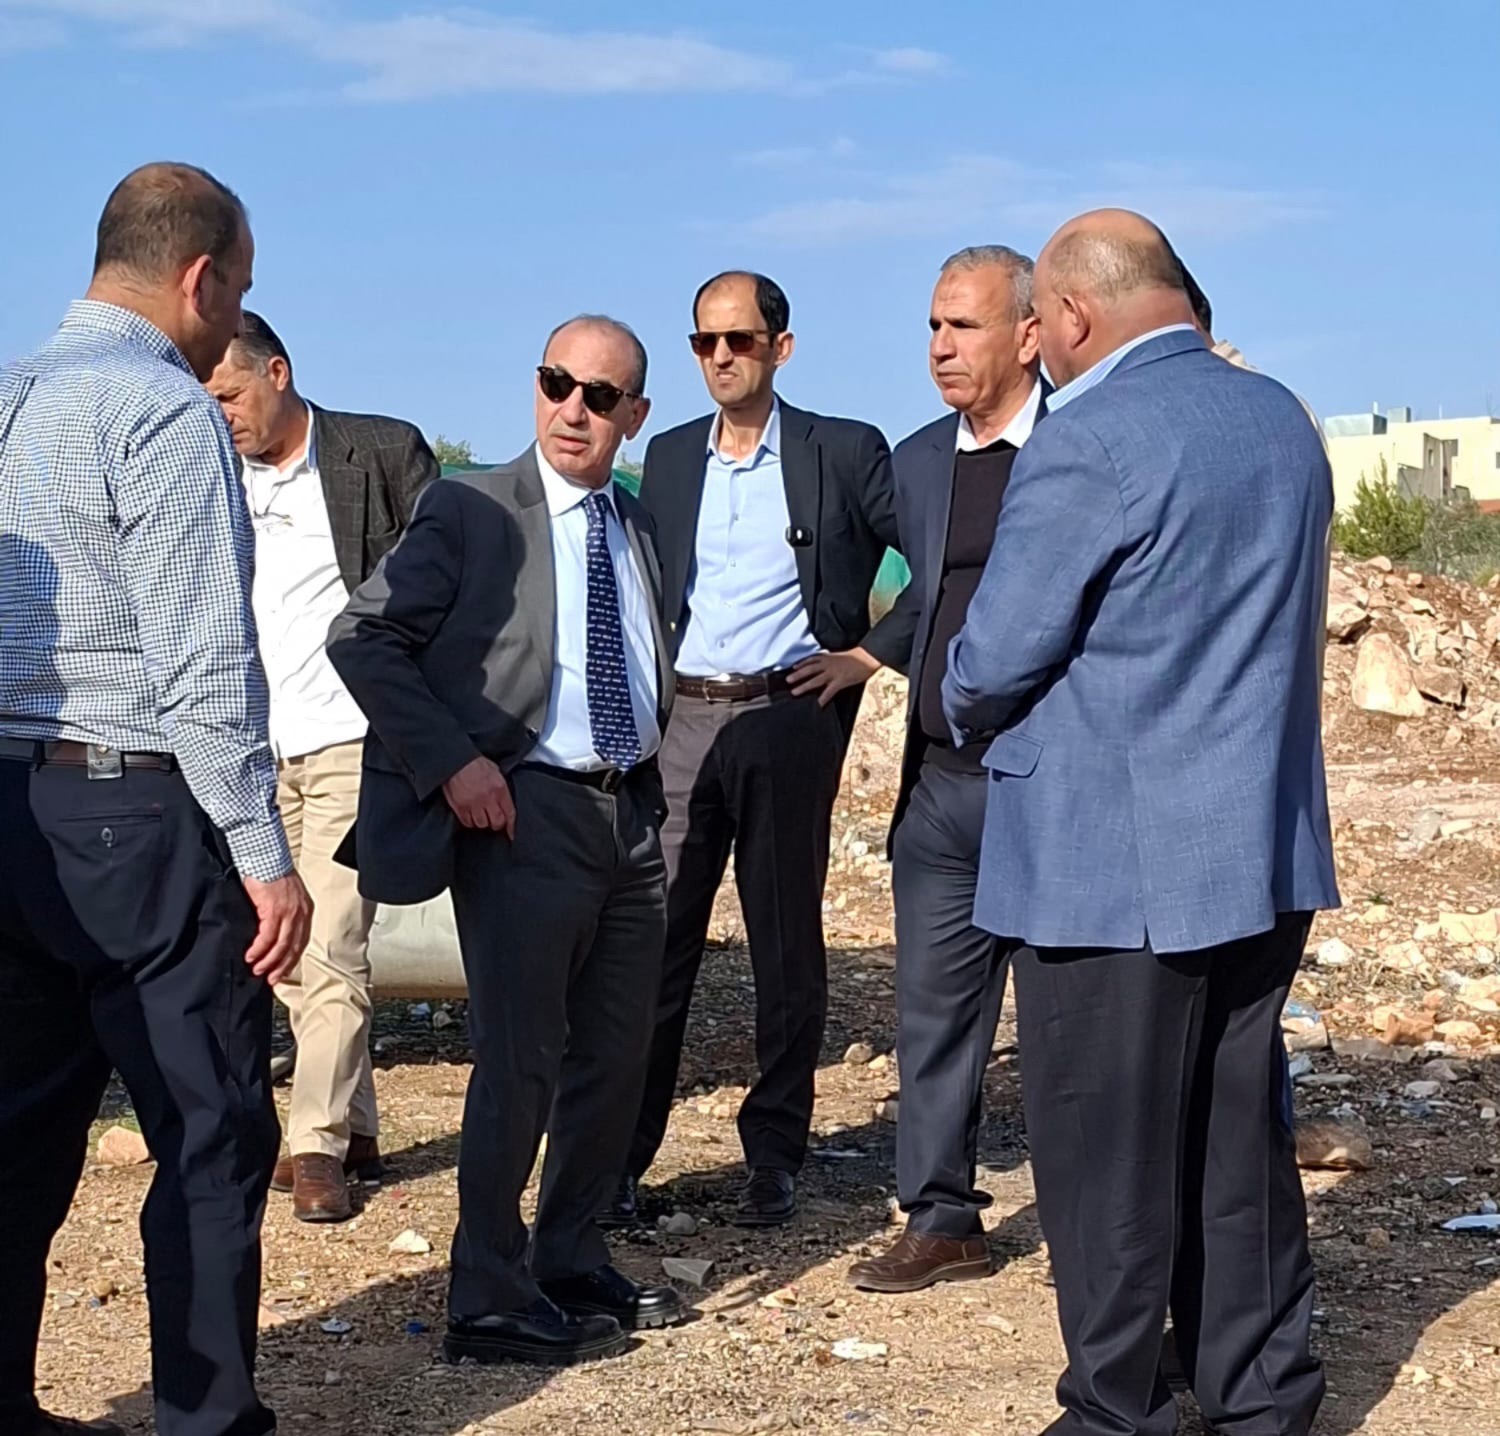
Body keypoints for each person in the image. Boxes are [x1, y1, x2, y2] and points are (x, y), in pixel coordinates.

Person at [942, 210, 1340, 1436]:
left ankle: (1116, 1409)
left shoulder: (1090, 437)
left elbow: (995, 655)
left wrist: (956, 692)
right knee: (1238, 1140)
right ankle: (1261, 1395)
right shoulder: (1281, 419)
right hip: (1259, 846)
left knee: (1104, 1156)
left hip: (1107, 862)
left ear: (1069, 315)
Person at [0, 164, 310, 1436]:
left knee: (19, 1125)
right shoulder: (165, 411)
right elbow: (200, 662)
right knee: (206, 1126)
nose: (230, 318)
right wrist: (262, 849)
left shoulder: (12, 395)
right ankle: (206, 1415)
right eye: (238, 288)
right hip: (135, 808)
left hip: (13, 809)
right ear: (199, 277)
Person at [328, 316, 684, 1365]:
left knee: (614, 1055)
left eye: (600, 396)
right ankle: (486, 1290)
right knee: (521, 1059)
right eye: (556, 382)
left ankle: (568, 1256)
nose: (574, 409)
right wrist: (454, 762)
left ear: (634, 415)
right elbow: (364, 637)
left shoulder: (636, 522)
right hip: (526, 814)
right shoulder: (471, 507)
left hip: (629, 813)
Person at [613, 270, 911, 1229]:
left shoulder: (843, 451)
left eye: (738, 340)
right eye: (704, 342)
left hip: (789, 716)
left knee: (784, 947)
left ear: (781, 347)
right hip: (684, 724)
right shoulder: (667, 459)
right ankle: (620, 1158)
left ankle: (775, 1155)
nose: (721, 358)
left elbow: (940, 553)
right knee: (653, 943)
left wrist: (868, 656)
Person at [846, 246, 1047, 1294]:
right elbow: (925, 592)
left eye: (963, 326)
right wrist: (867, 654)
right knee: (932, 1013)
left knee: (1065, 1026)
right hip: (940, 787)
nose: (939, 346)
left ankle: (1095, 1226)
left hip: (1048, 787)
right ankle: (942, 1217)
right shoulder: (921, 460)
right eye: (933, 325)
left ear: (1029, 334)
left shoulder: (1079, 449)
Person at [206, 312, 438, 1221]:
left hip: (352, 739)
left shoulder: (377, 456)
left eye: (230, 394)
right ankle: (358, 1122)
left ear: (278, 371)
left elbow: (439, 586)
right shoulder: (211, 477)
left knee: (334, 941)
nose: (221, 414)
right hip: (255, 750)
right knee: (286, 954)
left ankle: (315, 1149)